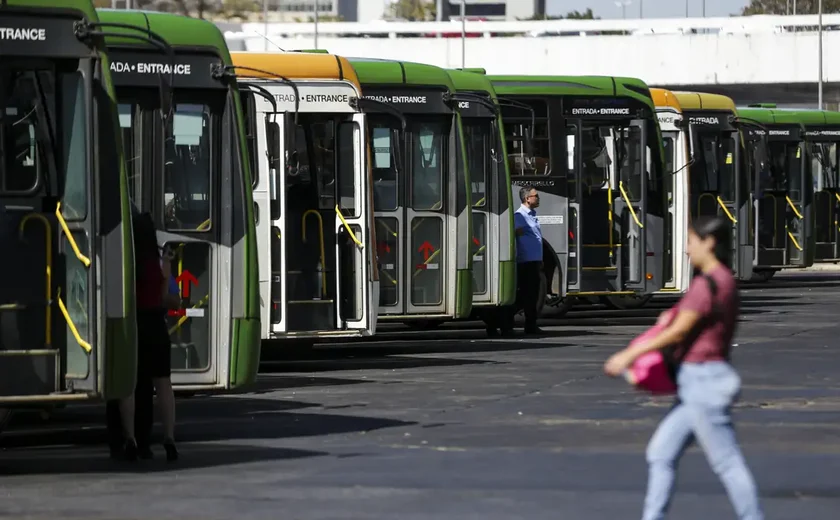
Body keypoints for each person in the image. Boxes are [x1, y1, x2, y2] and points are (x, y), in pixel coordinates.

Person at [603, 215, 763, 520]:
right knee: (661, 453)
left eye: (690, 241)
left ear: (709, 243)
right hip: (697, 383)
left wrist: (629, 354)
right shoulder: (725, 280)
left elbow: (679, 332)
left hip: (704, 382)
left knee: (727, 462)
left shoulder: (707, 284)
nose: (687, 249)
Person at [107, 212, 180, 462]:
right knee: (163, 385)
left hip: (133, 326)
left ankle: (130, 438)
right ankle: (169, 437)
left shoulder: (126, 260)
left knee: (128, 385)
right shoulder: (161, 264)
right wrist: (166, 270)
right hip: (157, 327)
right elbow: (166, 299)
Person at [490, 187, 544, 336]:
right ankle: (501, 323)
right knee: (522, 296)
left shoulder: (532, 215)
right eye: (536, 196)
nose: (538, 198)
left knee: (533, 296)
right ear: (527, 198)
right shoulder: (519, 216)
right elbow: (517, 235)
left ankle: (530, 325)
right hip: (524, 262)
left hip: (534, 261)